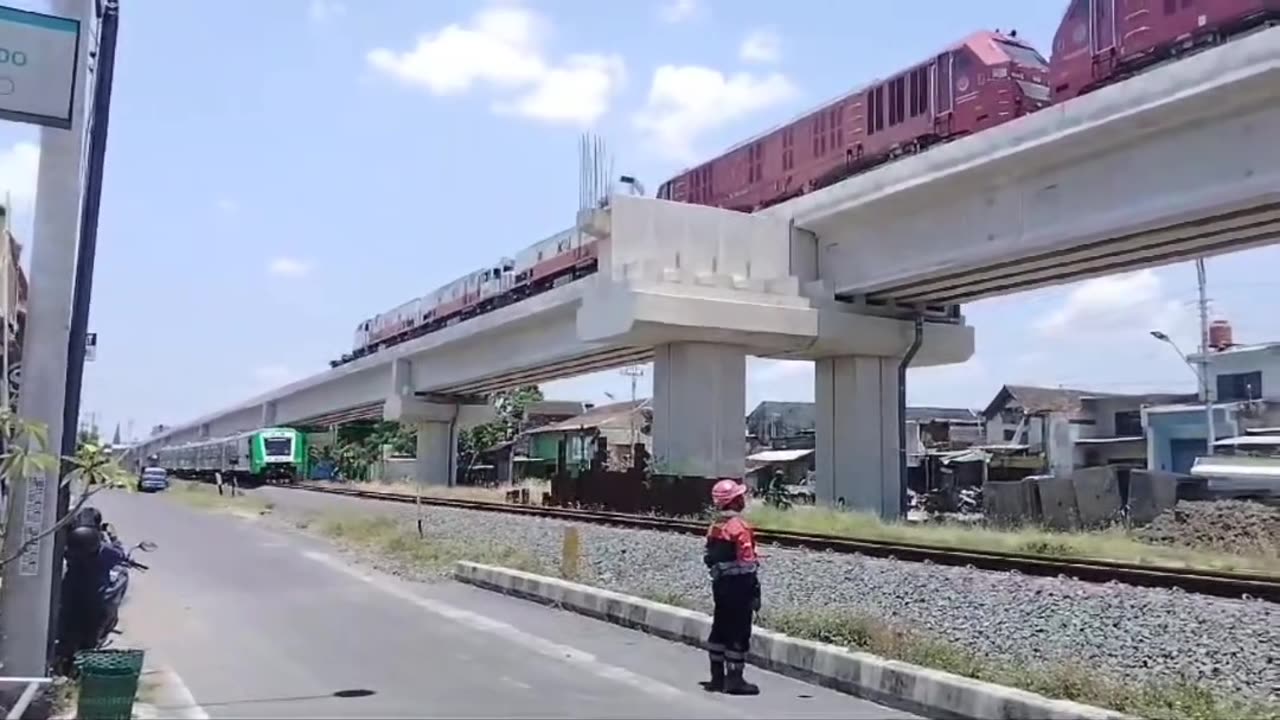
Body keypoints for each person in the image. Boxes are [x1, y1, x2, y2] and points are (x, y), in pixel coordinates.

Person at [701, 478, 761, 695]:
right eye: (740, 496)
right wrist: (754, 589)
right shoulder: (740, 527)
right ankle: (735, 680)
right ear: (735, 500)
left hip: (720, 585)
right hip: (739, 586)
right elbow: (746, 562)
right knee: (738, 631)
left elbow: (710, 556)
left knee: (720, 628)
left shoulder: (715, 526)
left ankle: (717, 678)